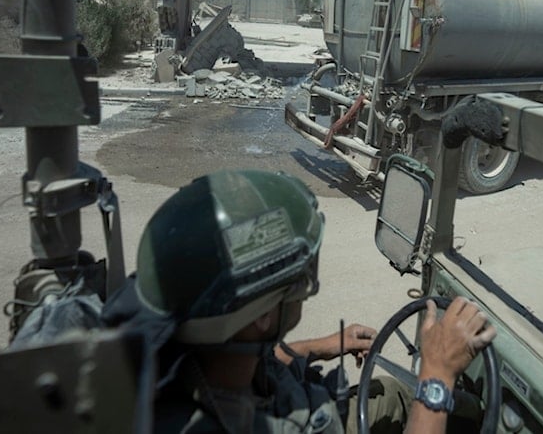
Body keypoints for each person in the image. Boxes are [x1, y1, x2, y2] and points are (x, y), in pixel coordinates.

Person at [103, 169, 496, 433]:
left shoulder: (191, 356)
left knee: (392, 394)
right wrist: (438, 376)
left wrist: (320, 347)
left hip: (296, 397)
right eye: (297, 281)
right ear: (260, 319)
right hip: (309, 415)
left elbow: (248, 362)